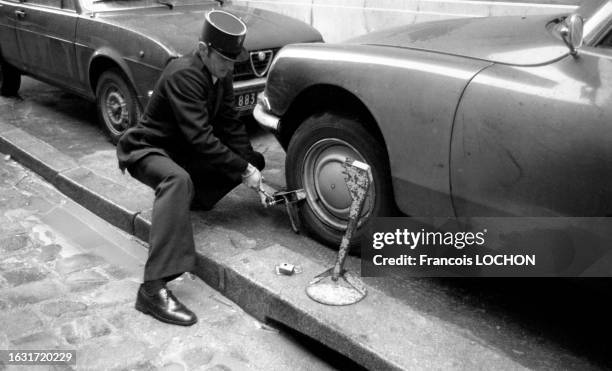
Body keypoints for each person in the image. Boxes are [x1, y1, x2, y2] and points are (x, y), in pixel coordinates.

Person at [116, 10, 265, 326]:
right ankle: (152, 288)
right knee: (177, 179)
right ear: (203, 49)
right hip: (148, 149)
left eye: (232, 60)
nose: (229, 67)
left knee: (253, 160)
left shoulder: (220, 73)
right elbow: (201, 137)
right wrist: (242, 170)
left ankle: (190, 201)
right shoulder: (183, 74)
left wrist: (250, 166)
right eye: (224, 59)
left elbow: (229, 122)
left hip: (181, 150)